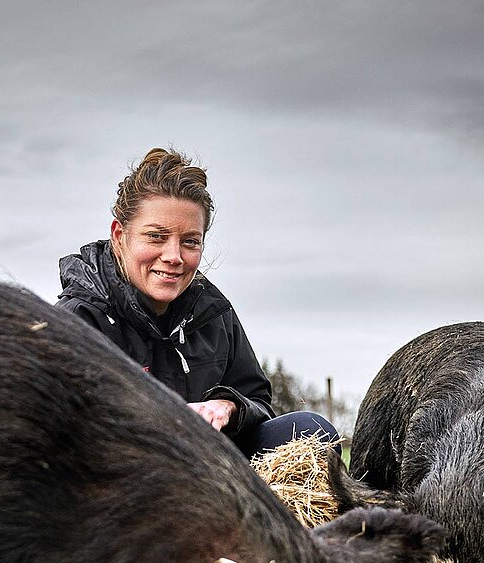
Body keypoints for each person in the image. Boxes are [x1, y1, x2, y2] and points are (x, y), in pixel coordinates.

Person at [56, 147, 337, 458]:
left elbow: (257, 399)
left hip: (208, 466)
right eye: (156, 236)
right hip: (124, 471)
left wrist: (229, 406)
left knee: (311, 430)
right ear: (119, 235)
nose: (174, 256)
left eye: (190, 241)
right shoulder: (76, 322)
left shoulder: (213, 312)